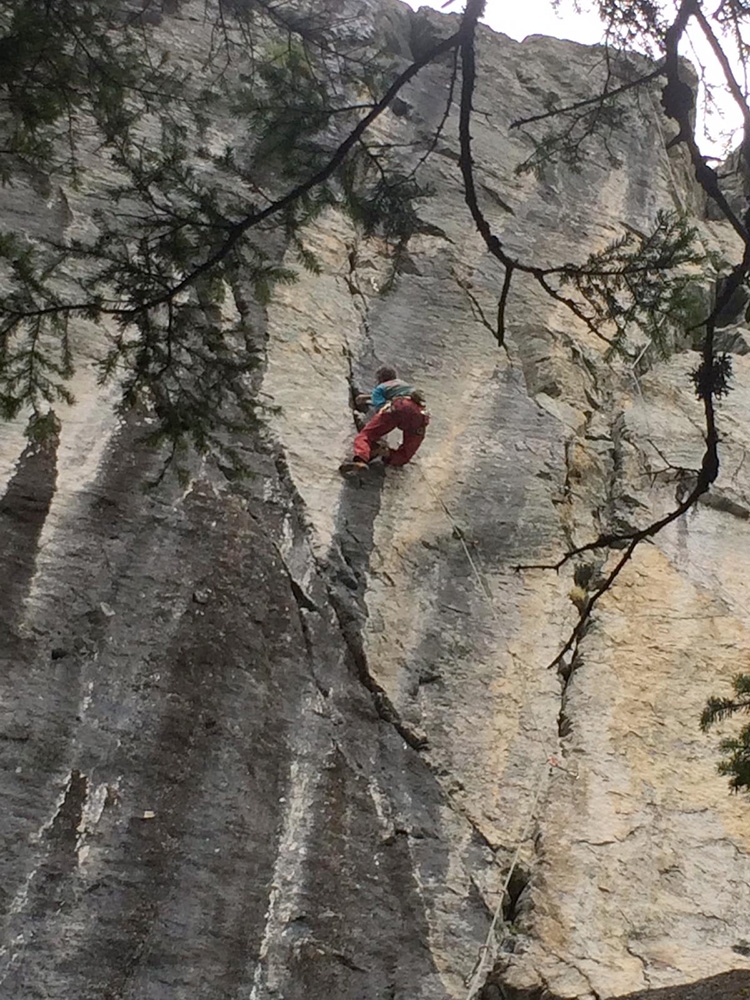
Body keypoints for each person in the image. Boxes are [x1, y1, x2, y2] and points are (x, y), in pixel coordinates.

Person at [340, 366, 429, 476]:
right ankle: (385, 453)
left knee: (365, 436)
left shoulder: (380, 388)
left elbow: (381, 407)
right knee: (405, 455)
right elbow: (406, 402)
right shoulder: (405, 386)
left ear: (380, 379)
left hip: (399, 407)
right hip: (420, 415)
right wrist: (367, 398)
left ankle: (361, 460)